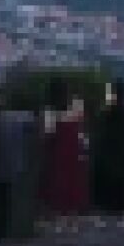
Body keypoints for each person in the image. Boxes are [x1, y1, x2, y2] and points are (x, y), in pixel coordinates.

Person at [41, 77, 91, 233]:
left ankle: (59, 220)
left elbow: (48, 132)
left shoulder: (50, 110)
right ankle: (73, 220)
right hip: (75, 149)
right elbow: (81, 127)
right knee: (74, 182)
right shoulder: (77, 105)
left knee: (58, 183)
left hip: (58, 151)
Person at [92, 79, 124, 228]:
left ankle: (105, 214)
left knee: (107, 182)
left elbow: (100, 122)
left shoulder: (107, 111)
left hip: (108, 151)